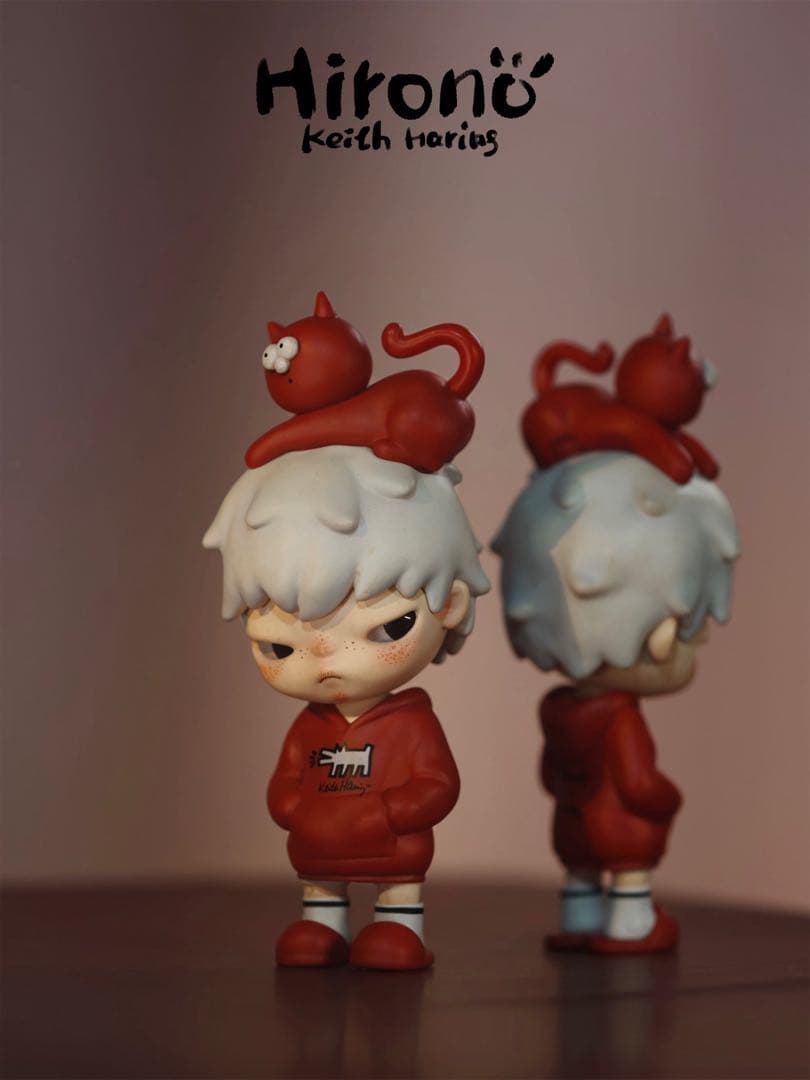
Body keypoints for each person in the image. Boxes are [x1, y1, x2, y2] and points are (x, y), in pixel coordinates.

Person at [205, 437, 489, 969]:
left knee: (397, 896)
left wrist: (387, 812)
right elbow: (285, 782)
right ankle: (322, 925)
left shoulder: (411, 725)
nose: (327, 658)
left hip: (392, 847)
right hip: (320, 848)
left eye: (388, 627)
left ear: (449, 604)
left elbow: (438, 785)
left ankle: (398, 927)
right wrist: (296, 809)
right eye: (280, 647)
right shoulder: (309, 724)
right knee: (319, 901)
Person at [493, 349, 739, 952]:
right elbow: (638, 784)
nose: (694, 641)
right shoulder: (620, 719)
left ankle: (579, 918)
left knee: (580, 871)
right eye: (684, 628)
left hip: (573, 824)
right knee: (629, 874)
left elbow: (551, 773)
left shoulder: (559, 708)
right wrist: (666, 799)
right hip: (620, 827)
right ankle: (631, 922)